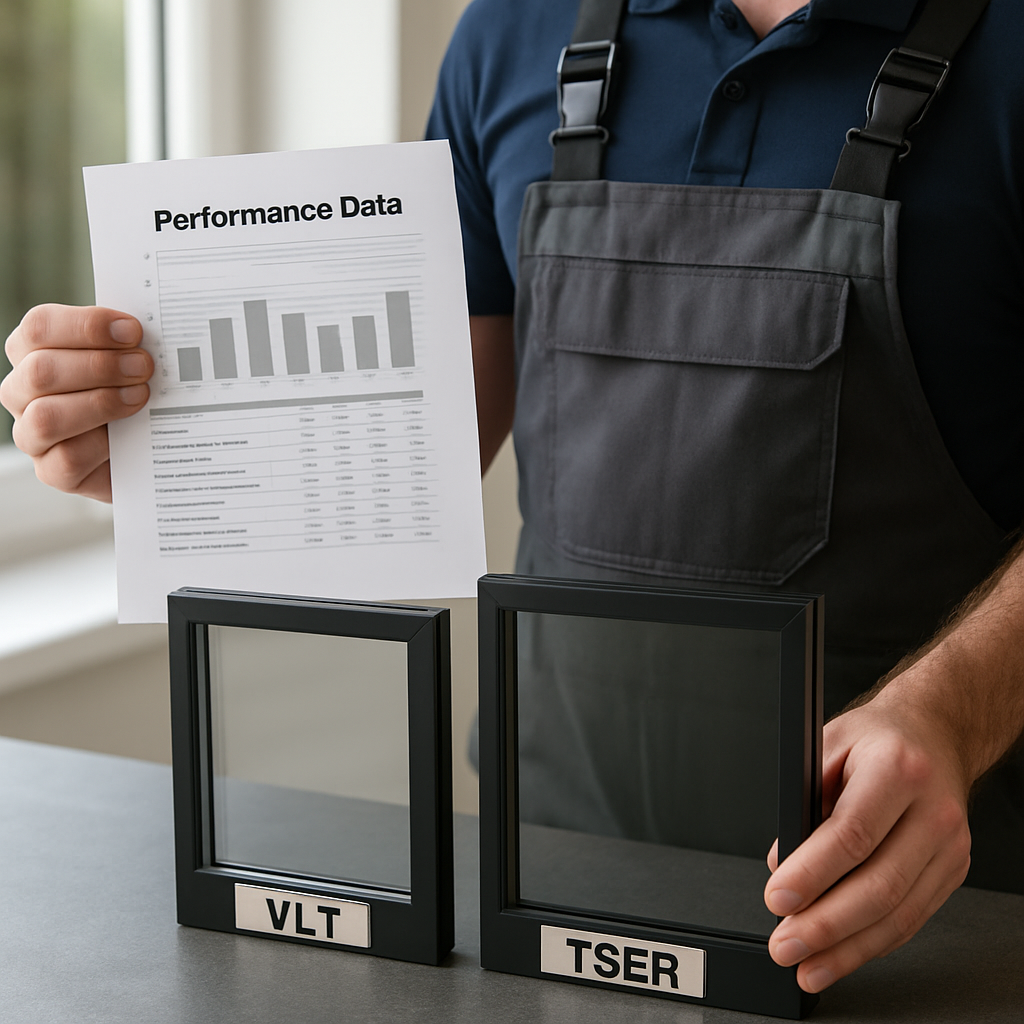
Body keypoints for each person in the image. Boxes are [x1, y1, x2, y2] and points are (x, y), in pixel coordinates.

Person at [2, 0, 1023, 998]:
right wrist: (169, 449)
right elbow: (419, 446)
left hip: (915, 902)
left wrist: (954, 712)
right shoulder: (511, 30)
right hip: (549, 876)